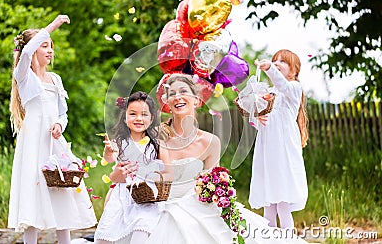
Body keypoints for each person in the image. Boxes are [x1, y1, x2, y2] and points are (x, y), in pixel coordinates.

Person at [145, 73, 308, 244]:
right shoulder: (157, 137)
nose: (177, 97)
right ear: (167, 103)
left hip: (199, 207)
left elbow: (209, 184)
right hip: (163, 208)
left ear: (196, 100)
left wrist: (218, 191)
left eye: (183, 91)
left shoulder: (210, 142)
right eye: (172, 94)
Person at [8, 15, 97, 244]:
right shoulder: (25, 77)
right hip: (34, 144)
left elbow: (62, 113)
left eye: (51, 47)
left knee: (61, 191)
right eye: (44, 45)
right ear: (34, 48)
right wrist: (54, 25)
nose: (49, 51)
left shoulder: (55, 79)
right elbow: (26, 52)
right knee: (33, 194)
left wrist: (59, 124)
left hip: (53, 143)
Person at [94, 91, 172, 244]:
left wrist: (151, 176)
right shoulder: (120, 141)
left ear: (151, 119)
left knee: (141, 232)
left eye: (144, 114)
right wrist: (108, 151)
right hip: (122, 198)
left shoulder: (157, 144)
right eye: (133, 114)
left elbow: (169, 173)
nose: (138, 119)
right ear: (125, 118)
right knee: (106, 236)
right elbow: (109, 159)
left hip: (147, 198)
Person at [250, 49, 309, 229]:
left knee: (283, 203)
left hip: (283, 151)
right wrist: (257, 117)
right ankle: (269, 239)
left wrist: (269, 68)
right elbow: (257, 118)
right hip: (268, 152)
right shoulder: (269, 93)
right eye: (275, 60)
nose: (277, 63)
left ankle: (287, 239)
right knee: (269, 203)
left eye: (283, 61)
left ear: (294, 70)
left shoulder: (293, 88)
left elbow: (283, 85)